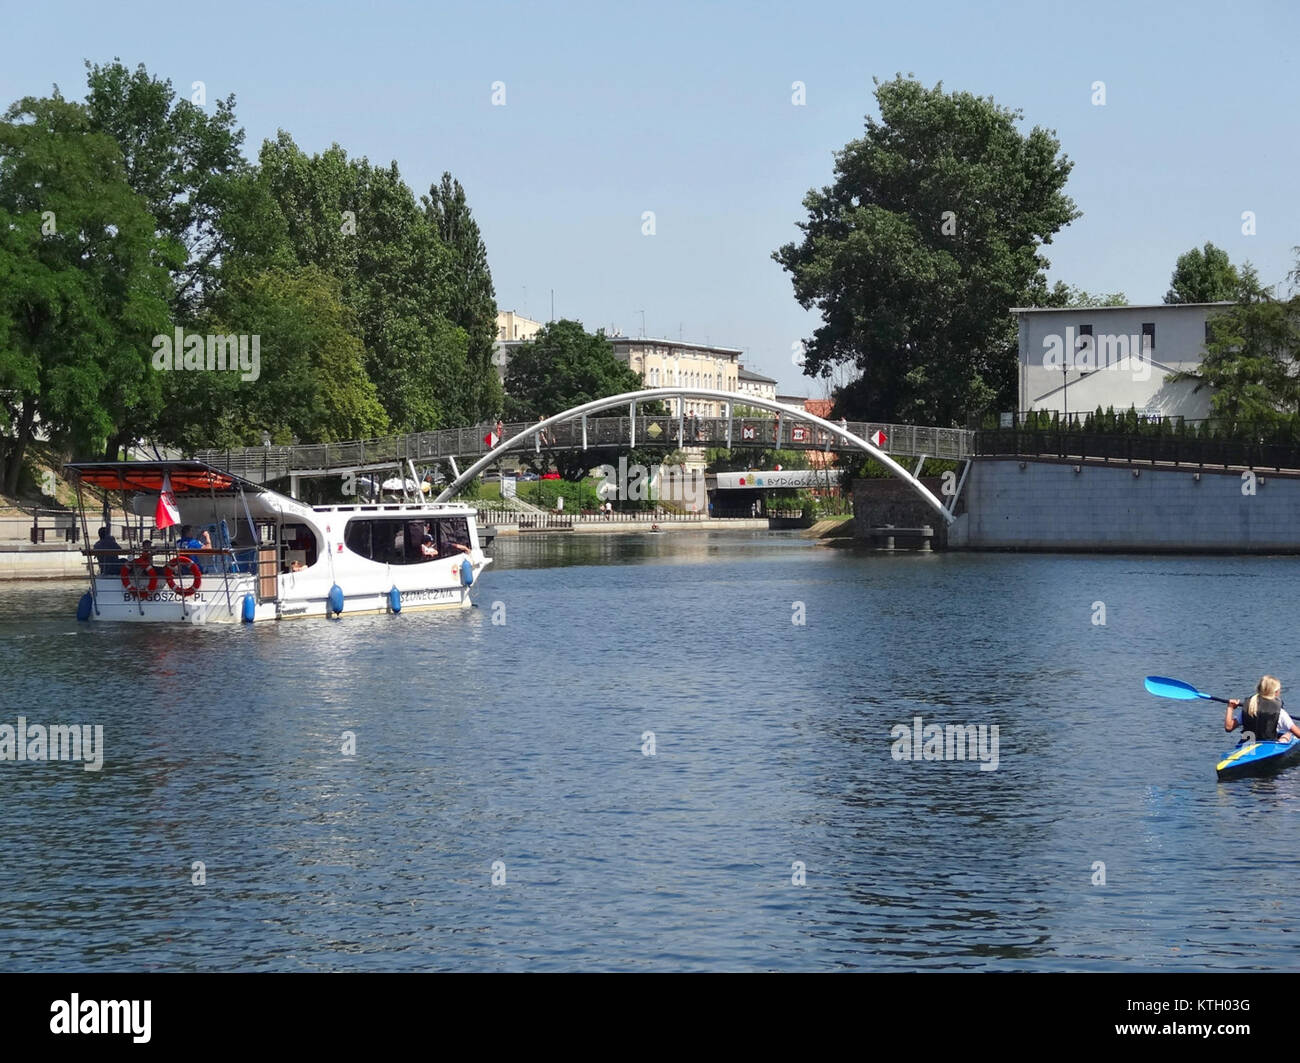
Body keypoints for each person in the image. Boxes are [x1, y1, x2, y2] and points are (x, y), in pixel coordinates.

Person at [1226, 676, 1300, 743]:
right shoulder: (1280, 712)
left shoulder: (1249, 707)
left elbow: (1228, 727)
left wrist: (1230, 708)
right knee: (1288, 733)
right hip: (1269, 745)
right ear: (1276, 692)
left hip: (1248, 743)